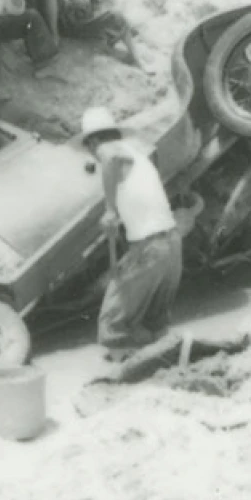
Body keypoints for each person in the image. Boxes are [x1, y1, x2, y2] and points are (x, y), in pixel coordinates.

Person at [81, 106, 191, 362]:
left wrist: (110, 209)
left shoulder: (108, 150)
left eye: (90, 148)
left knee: (112, 323)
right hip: (171, 244)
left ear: (94, 141)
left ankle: (126, 376)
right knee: (155, 321)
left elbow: (107, 158)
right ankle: (165, 362)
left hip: (151, 246)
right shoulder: (137, 154)